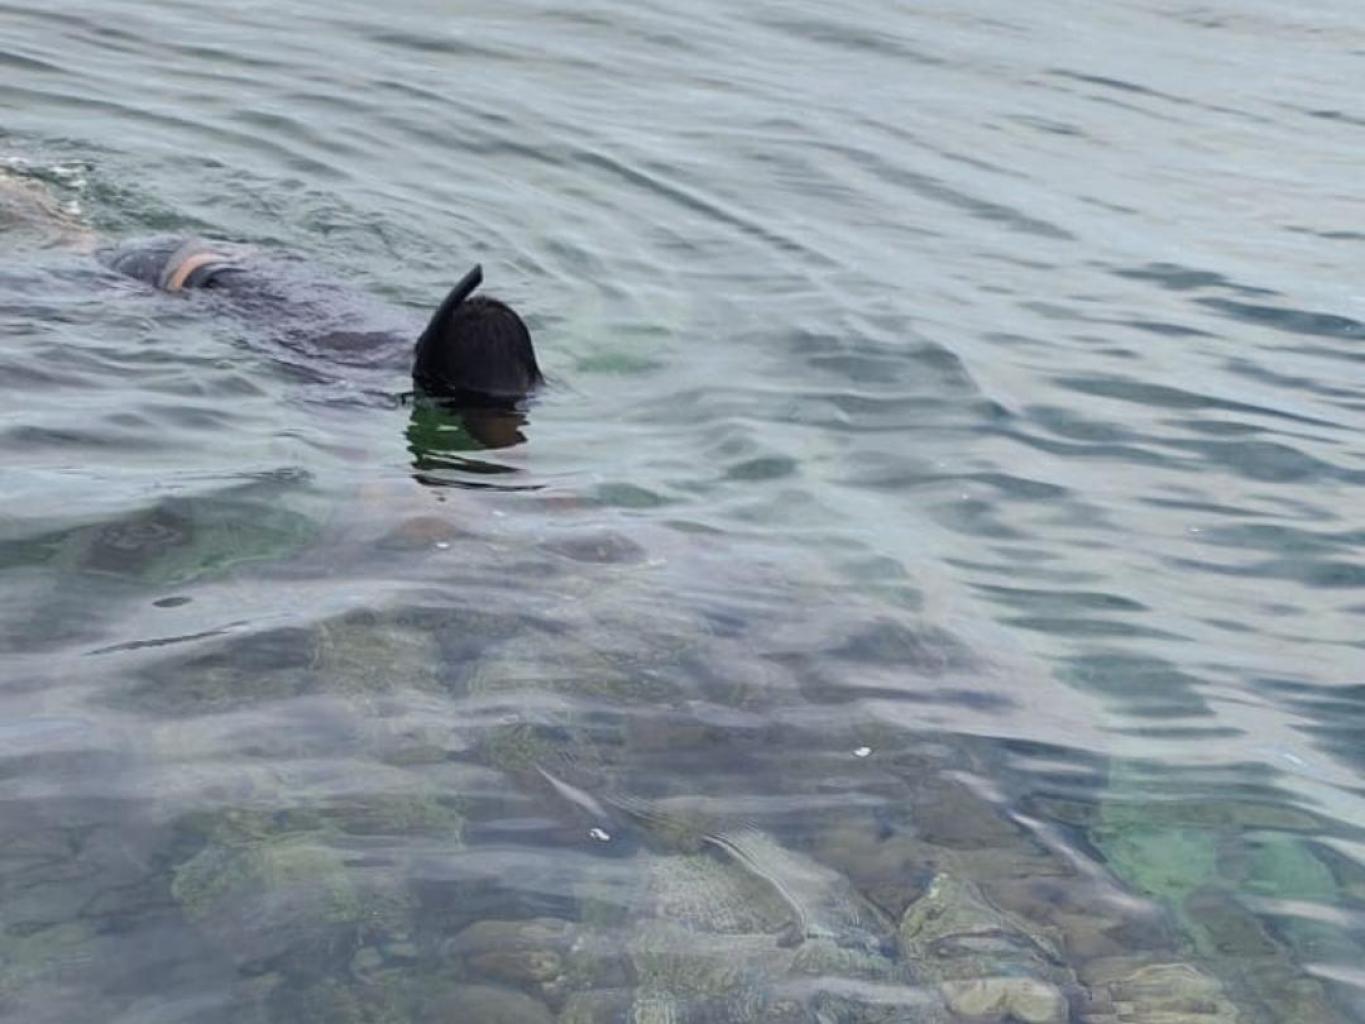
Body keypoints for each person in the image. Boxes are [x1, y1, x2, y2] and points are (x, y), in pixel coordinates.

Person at [102, 236, 543, 407]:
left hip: (239, 259)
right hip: (164, 277)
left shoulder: (450, 337)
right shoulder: (355, 376)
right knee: (70, 239)